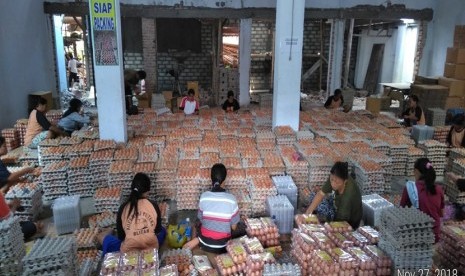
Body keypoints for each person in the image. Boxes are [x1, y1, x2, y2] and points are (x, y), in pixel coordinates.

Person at [97, 173, 165, 255]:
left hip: (129, 253)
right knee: (163, 230)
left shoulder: (123, 208)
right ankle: (110, 231)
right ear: (147, 191)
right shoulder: (153, 205)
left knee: (101, 237)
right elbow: (157, 231)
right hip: (151, 251)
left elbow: (121, 237)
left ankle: (109, 231)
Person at [183, 163, 240, 253]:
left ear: (211, 179)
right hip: (224, 245)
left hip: (205, 243)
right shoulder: (232, 199)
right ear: (224, 180)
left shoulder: (204, 196)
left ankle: (196, 242)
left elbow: (201, 220)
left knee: (195, 224)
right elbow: (233, 227)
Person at [305, 161, 362, 229]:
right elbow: (321, 193)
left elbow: (339, 222)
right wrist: (308, 212)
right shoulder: (335, 176)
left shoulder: (348, 196)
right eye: (331, 180)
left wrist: (325, 228)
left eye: (337, 182)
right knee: (315, 199)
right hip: (338, 209)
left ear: (345, 181)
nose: (333, 184)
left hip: (350, 221)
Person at [400, 158, 444, 243]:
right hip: (435, 234)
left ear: (416, 171)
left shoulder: (410, 188)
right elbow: (441, 213)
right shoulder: (438, 189)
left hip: (419, 235)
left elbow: (402, 211)